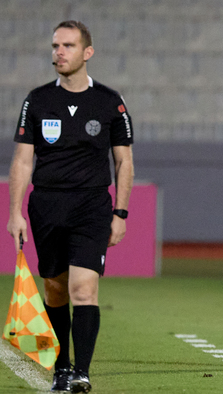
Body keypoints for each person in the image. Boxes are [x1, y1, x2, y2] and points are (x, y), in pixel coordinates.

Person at [6, 20, 134, 393]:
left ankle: (81, 371)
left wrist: (121, 213)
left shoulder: (110, 101)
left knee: (84, 289)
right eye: (55, 46)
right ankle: (61, 367)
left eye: (67, 46)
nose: (58, 52)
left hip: (92, 206)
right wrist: (15, 211)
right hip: (46, 206)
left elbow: (124, 162)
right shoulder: (38, 99)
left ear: (87, 53)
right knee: (55, 289)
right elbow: (22, 161)